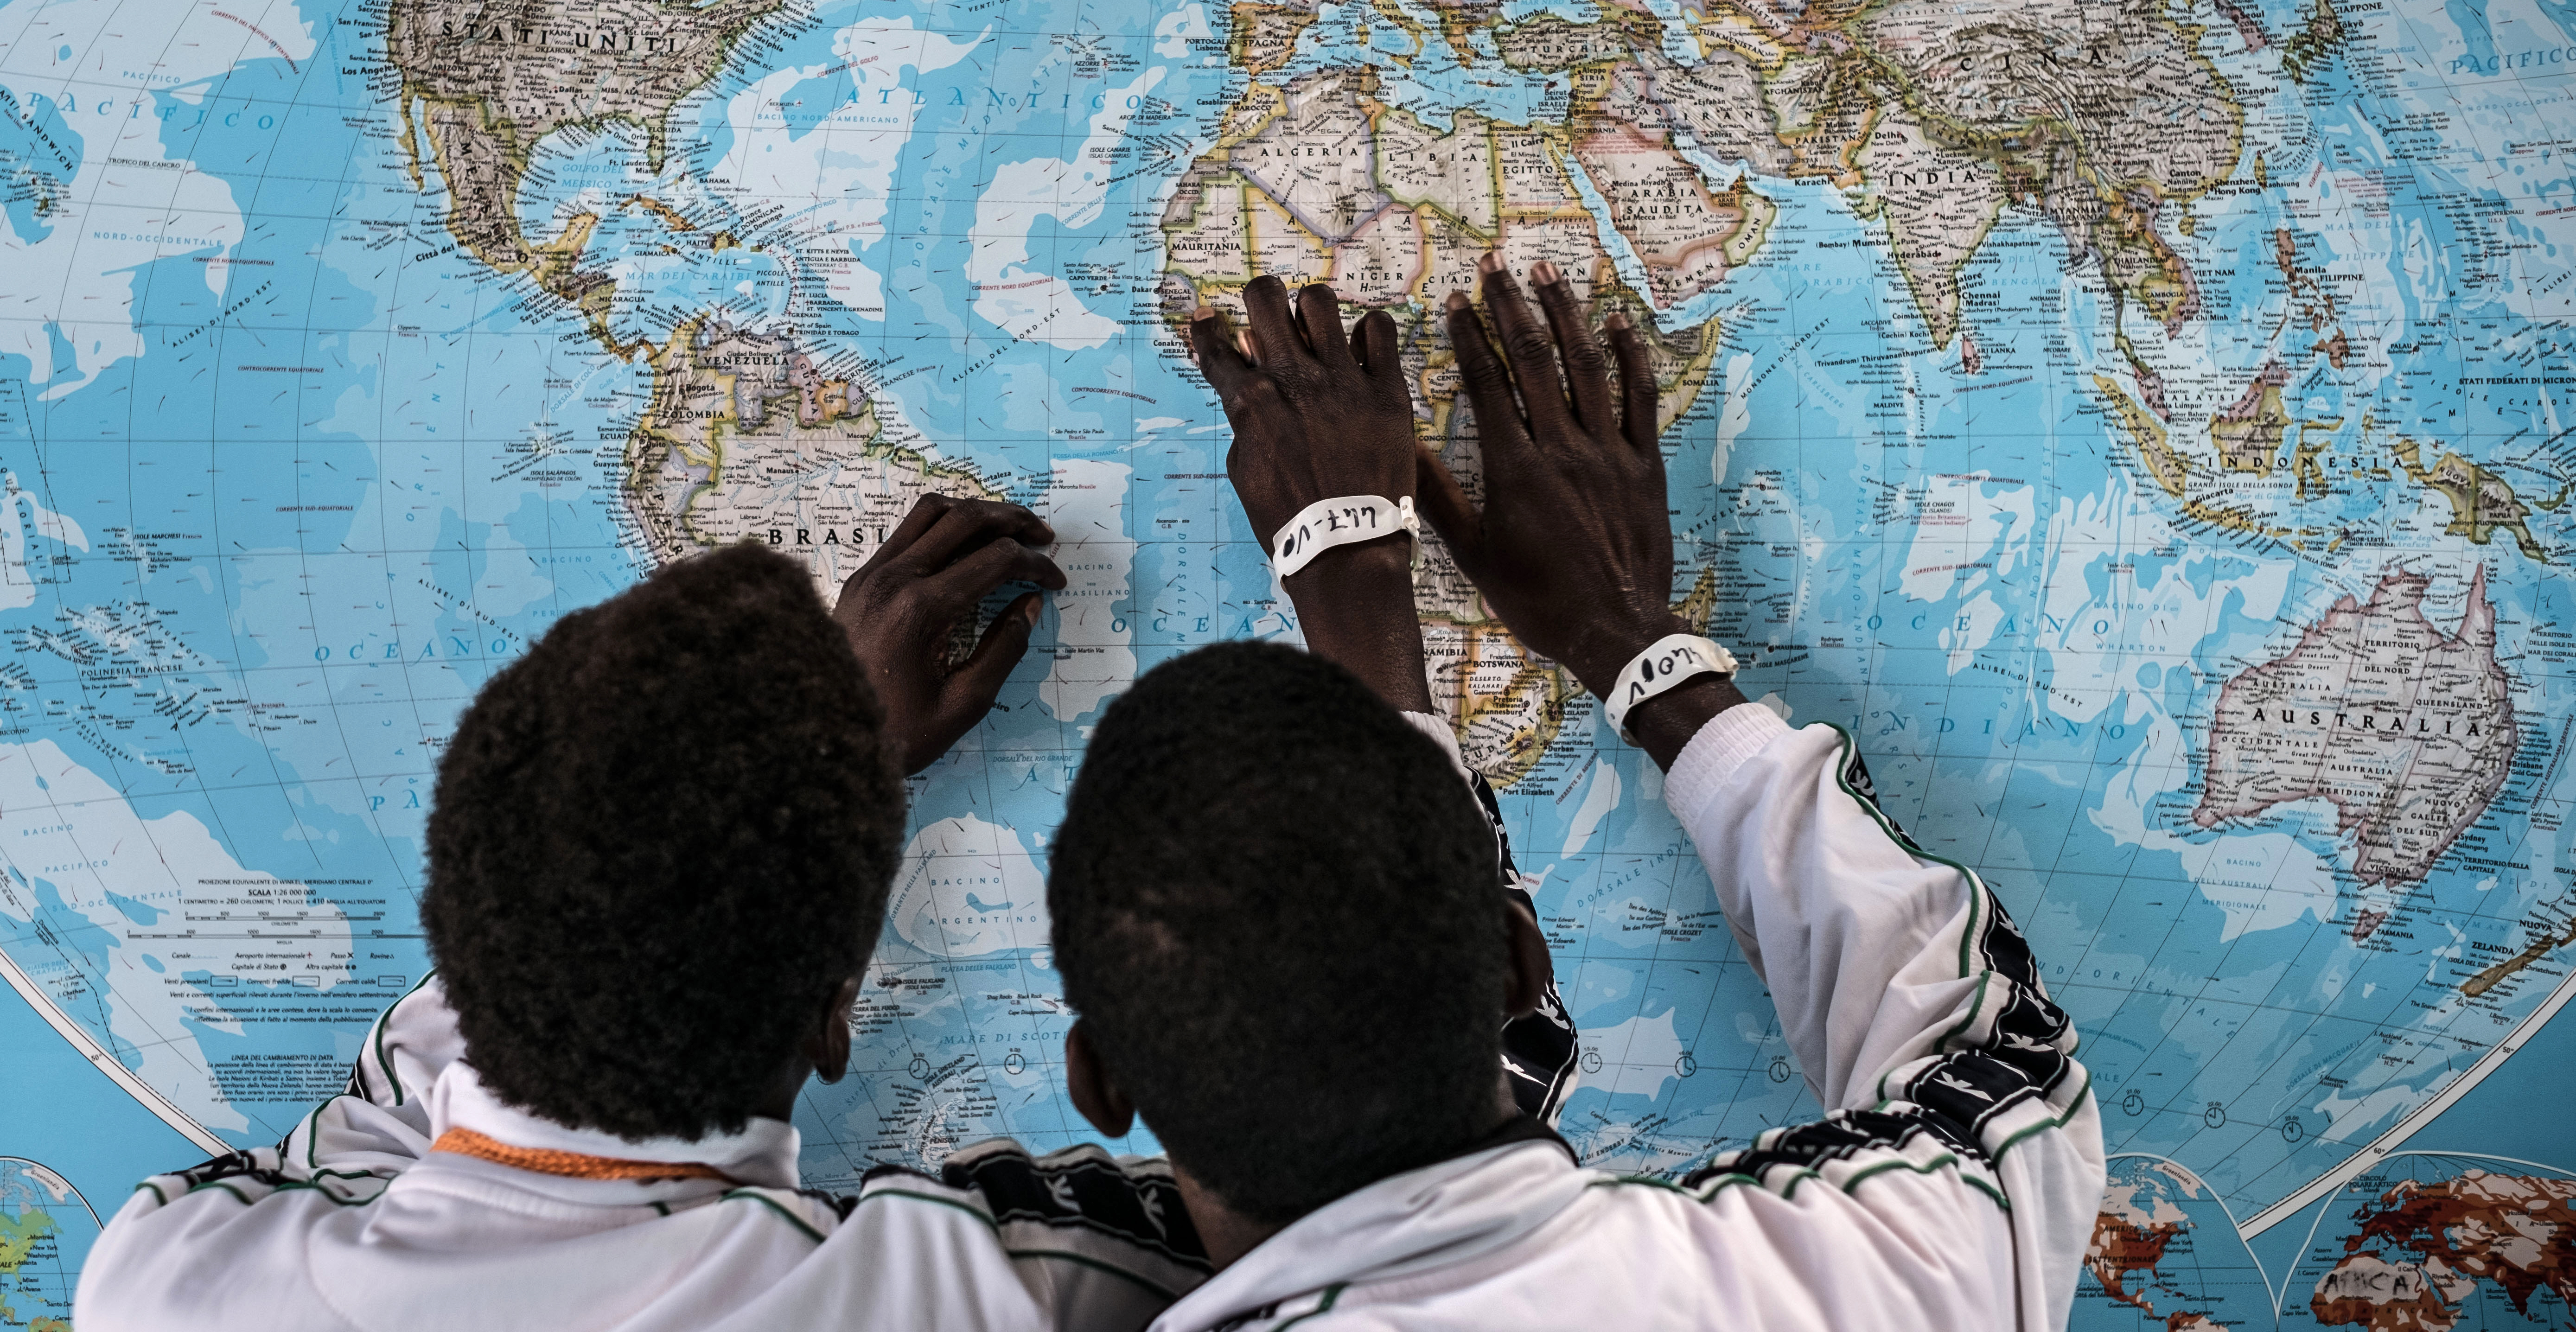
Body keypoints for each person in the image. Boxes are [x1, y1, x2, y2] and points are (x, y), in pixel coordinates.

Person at [77, 491, 1569, 1329]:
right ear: (837, 1018)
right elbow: (1396, 1168)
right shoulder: (1005, 1294)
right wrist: (1363, 604)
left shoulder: (165, 1286)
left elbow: (391, 1120)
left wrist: (809, 780)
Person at [1046, 260, 2104, 1331]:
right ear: (1517, 961)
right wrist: (1629, 637)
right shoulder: (1870, 1285)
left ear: (1103, 1082)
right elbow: (2009, 1088)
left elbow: (1379, 1207)